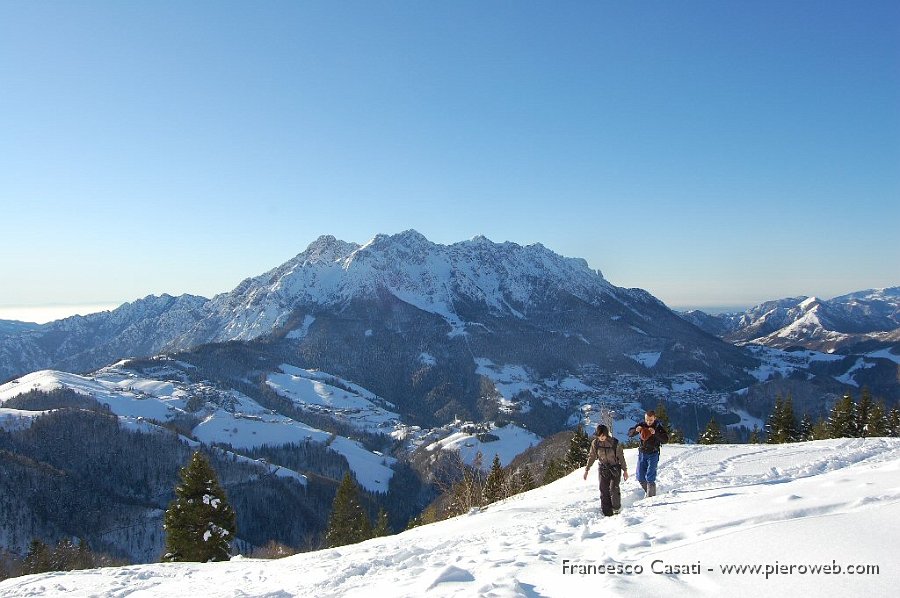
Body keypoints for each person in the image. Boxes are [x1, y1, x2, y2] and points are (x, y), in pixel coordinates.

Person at [583, 424, 628, 516]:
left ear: (606, 434)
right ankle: (606, 511)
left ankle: (616, 508)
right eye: (599, 435)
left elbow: (621, 457)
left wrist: (625, 470)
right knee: (603, 489)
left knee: (613, 488)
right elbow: (592, 456)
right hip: (603, 468)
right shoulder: (595, 443)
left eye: (603, 435)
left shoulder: (614, 443)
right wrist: (587, 470)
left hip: (615, 468)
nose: (601, 437)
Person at [627, 410, 669, 497]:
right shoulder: (642, 424)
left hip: (653, 453)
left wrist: (655, 433)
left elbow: (665, 439)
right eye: (647, 420)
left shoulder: (658, 427)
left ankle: (651, 497)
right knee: (640, 476)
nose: (648, 422)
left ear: (654, 418)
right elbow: (629, 433)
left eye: (651, 420)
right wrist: (635, 430)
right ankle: (648, 491)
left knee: (650, 476)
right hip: (642, 453)